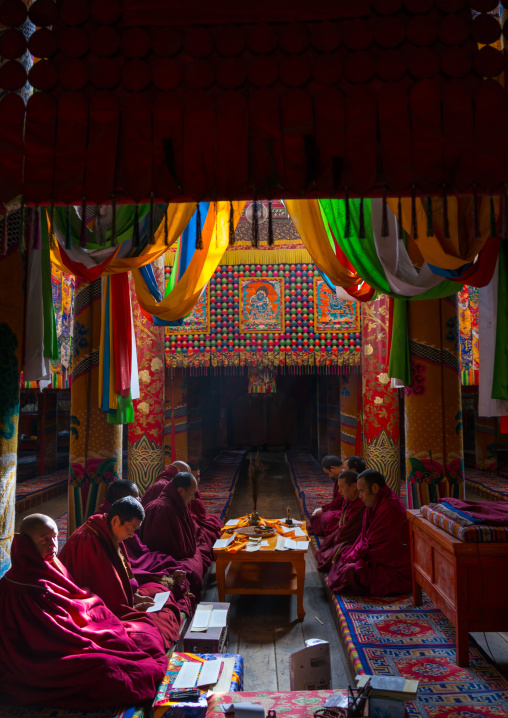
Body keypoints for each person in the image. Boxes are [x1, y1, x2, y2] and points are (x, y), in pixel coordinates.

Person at [0, 514, 166, 710]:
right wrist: (88, 635)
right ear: (27, 543)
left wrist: (91, 617)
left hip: (69, 632)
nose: (53, 544)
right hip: (41, 658)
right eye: (44, 540)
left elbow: (74, 597)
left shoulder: (50, 564)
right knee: (107, 668)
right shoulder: (21, 586)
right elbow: (49, 635)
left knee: (141, 635)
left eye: (54, 537)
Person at [59, 497, 182, 650]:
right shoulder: (89, 541)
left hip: (118, 599)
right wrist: (131, 605)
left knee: (163, 593)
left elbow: (121, 575)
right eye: (131, 529)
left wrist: (134, 596)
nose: (132, 535)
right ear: (116, 520)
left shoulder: (107, 531)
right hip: (92, 609)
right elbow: (101, 591)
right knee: (146, 634)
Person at [98, 480, 195, 617]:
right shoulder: (107, 528)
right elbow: (118, 569)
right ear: (123, 501)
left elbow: (140, 552)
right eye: (136, 497)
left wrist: (169, 568)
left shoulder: (123, 521)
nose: (140, 499)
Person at [327, 470, 411, 596]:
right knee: (343, 554)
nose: (360, 496)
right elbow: (365, 537)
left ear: (375, 488)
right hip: (373, 555)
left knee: (350, 571)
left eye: (361, 491)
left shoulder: (391, 508)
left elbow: (384, 550)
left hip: (393, 569)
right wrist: (354, 554)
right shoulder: (374, 504)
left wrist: (358, 558)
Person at [140, 472, 211, 598]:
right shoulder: (161, 509)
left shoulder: (176, 504)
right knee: (192, 574)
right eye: (191, 494)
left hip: (179, 555)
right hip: (163, 559)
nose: (193, 498)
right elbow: (161, 547)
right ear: (180, 490)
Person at [315, 470, 366, 573]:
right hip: (343, 535)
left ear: (354, 486)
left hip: (353, 542)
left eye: (342, 487)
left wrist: (340, 535)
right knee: (325, 548)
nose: (339, 491)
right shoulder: (348, 499)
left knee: (338, 560)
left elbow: (354, 533)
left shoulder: (362, 506)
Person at [307, 455, 343, 536]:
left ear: (333, 468)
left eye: (328, 473)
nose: (329, 476)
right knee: (317, 517)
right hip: (342, 508)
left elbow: (340, 502)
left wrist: (323, 509)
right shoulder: (340, 477)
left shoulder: (345, 478)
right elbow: (338, 500)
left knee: (325, 519)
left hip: (346, 511)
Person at [188, 467, 224, 548]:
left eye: (198, 477)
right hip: (192, 521)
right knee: (207, 534)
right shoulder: (183, 491)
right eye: (193, 477)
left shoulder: (196, 489)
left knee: (215, 519)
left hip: (200, 518)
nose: (196, 480)